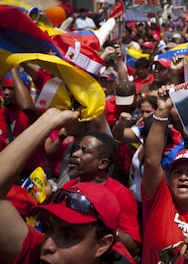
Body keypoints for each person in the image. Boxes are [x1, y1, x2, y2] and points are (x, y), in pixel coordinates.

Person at [0, 108, 134, 264]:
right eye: (50, 229)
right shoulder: (38, 252)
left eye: (69, 235)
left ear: (103, 245)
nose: (48, 245)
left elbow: (133, 245)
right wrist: (49, 120)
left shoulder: (121, 194)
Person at [141, 85, 188, 263]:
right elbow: (152, 161)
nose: (184, 177)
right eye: (178, 172)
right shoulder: (159, 199)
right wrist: (162, 111)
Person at [62, 131, 142, 258]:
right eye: (76, 149)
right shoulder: (68, 187)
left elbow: (133, 246)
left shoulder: (121, 194)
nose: (75, 154)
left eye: (84, 151)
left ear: (103, 163)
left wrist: (101, 226)